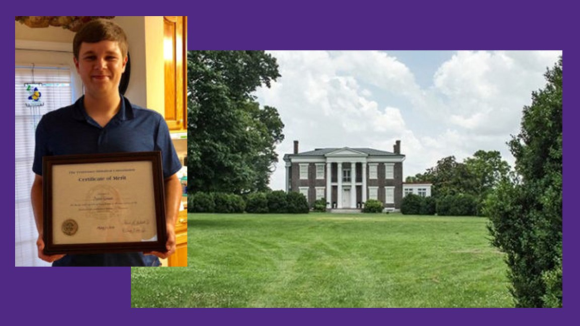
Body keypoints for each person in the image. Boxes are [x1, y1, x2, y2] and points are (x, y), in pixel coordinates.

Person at [30, 19, 182, 266]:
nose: (100, 65)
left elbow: (171, 179)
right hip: (73, 264)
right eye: (90, 57)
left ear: (124, 62)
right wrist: (44, 230)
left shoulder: (151, 123)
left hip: (137, 263)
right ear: (77, 64)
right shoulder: (51, 125)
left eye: (110, 57)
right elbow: (40, 184)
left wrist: (168, 224)